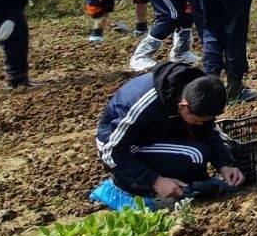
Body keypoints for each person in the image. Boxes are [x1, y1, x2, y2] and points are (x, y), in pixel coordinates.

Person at [94, 59, 244, 200]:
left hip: (154, 137)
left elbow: (209, 129)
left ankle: (190, 186)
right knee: (195, 155)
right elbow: (111, 151)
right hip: (121, 149)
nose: (200, 124)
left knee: (200, 152)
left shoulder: (197, 91)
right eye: (198, 121)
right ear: (182, 107)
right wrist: (155, 181)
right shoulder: (143, 103)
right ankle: (127, 186)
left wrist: (224, 165)